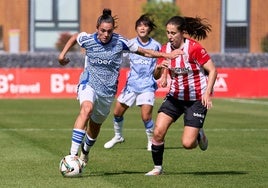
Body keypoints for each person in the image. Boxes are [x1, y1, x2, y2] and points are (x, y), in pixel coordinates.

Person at [58, 8, 183, 168]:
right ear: (97, 28)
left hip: (107, 92)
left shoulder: (120, 42)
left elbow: (145, 52)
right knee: (86, 109)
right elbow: (75, 37)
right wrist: (62, 55)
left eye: (109, 31)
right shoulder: (88, 39)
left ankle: (85, 152)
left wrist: (166, 55)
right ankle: (72, 156)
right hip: (88, 83)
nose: (106, 34)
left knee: (95, 127)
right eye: (102, 30)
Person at [145, 16, 218, 176]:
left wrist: (207, 92)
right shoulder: (165, 49)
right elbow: (156, 75)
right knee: (158, 131)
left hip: (196, 99)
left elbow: (212, 70)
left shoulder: (194, 48)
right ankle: (158, 168)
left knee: (187, 143)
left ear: (182, 33)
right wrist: (160, 70)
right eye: (168, 33)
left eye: (173, 33)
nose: (170, 36)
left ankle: (199, 134)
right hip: (175, 97)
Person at [103, 14, 161, 151]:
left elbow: (158, 71)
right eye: (140, 25)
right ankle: (118, 136)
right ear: (136, 28)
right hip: (131, 85)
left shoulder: (156, 46)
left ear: (150, 29)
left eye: (145, 25)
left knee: (146, 117)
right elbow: (116, 55)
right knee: (117, 113)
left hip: (147, 86)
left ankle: (151, 142)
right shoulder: (130, 44)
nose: (142, 28)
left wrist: (159, 73)